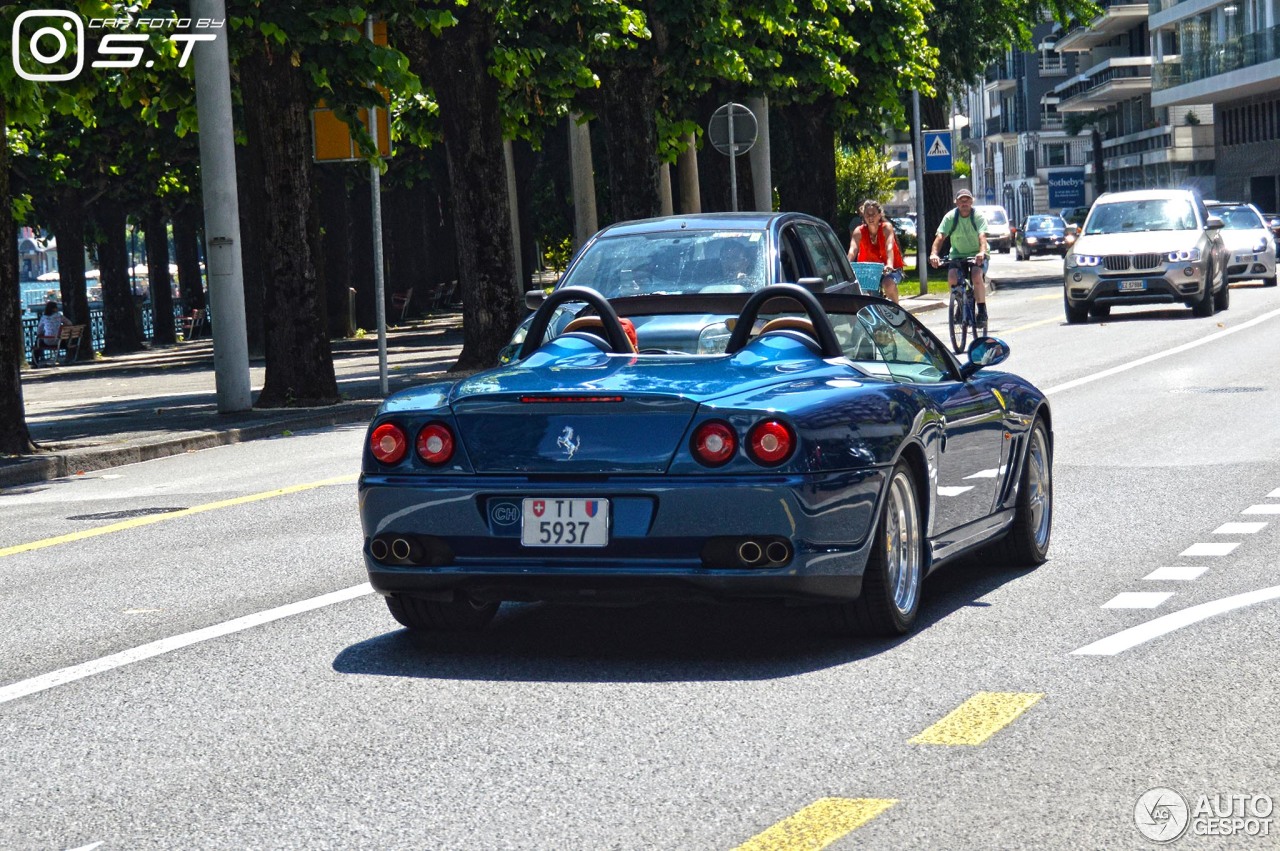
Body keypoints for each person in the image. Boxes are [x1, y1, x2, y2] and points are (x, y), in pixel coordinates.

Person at [929, 189, 989, 324]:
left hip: (977, 254)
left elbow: (982, 236)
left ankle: (982, 311)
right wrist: (934, 254)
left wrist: (981, 252)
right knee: (952, 277)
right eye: (961, 200)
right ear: (956, 202)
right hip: (957, 254)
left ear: (972, 201)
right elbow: (940, 236)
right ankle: (960, 304)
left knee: (976, 275)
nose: (964, 203)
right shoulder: (950, 217)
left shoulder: (977, 216)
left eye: (967, 200)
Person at [847, 199, 904, 302]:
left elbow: (889, 246)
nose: (870, 217)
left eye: (873, 214)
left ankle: (897, 309)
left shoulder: (886, 227)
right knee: (864, 294)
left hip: (890, 269)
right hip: (869, 270)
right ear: (863, 216)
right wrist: (847, 264)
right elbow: (853, 250)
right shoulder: (859, 231)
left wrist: (889, 264)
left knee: (888, 284)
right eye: (867, 214)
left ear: (879, 215)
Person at [32, 300, 70, 367]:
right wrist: (62, 326)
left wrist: (41, 334)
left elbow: (39, 330)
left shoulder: (44, 317)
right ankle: (69, 358)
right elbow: (69, 323)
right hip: (59, 341)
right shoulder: (59, 316)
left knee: (37, 342)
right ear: (54, 309)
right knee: (64, 340)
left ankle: (35, 363)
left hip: (48, 341)